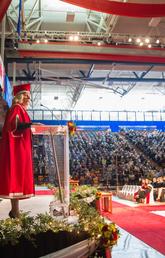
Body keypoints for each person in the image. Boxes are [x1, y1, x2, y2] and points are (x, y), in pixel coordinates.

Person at [0, 83, 34, 218]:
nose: (28, 98)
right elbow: (12, 125)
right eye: (26, 95)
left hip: (22, 147)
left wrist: (31, 126)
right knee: (15, 176)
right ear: (20, 96)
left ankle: (15, 210)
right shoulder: (16, 108)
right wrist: (30, 124)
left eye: (29, 96)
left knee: (19, 178)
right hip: (16, 148)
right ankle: (15, 211)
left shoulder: (23, 110)